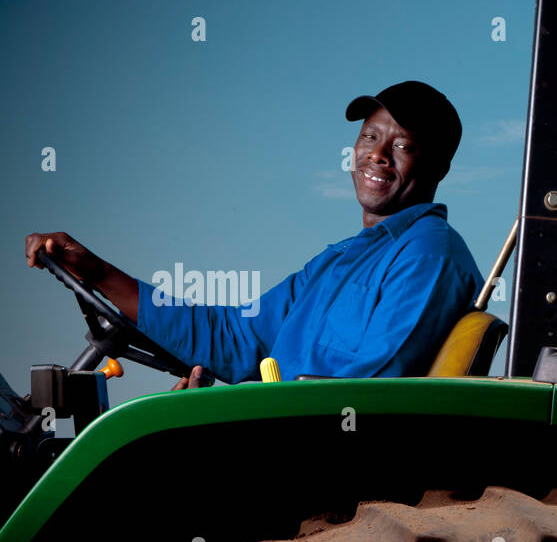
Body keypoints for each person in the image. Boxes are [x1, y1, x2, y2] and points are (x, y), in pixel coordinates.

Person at [25, 81, 483, 388]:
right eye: (369, 137)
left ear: (439, 166)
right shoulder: (339, 261)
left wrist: (240, 415)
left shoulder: (428, 254)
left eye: (401, 146)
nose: (377, 155)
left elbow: (372, 391)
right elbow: (237, 335)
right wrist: (97, 271)